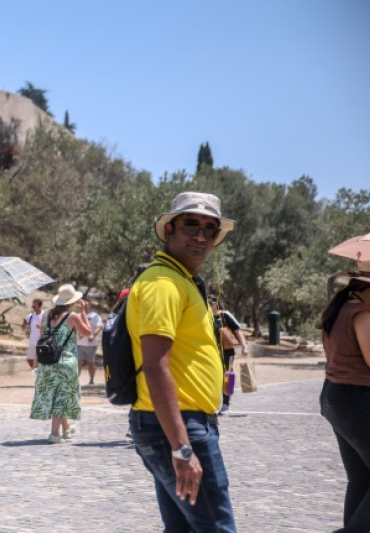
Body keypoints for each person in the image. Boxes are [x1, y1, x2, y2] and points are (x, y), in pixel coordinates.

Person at [126, 191, 237, 531]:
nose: (202, 236)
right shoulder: (165, 283)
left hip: (176, 425)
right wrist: (182, 449)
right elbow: (156, 365)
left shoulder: (181, 281)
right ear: (169, 230)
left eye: (210, 229)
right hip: (179, 427)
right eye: (192, 225)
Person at [317, 269, 370, 533]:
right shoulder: (362, 314)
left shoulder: (338, 310)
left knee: (362, 478)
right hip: (360, 399)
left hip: (336, 397)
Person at [31, 284, 92, 443]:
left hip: (48, 362)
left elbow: (41, 337)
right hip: (65, 361)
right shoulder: (72, 317)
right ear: (71, 302)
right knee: (62, 397)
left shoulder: (46, 316)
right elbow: (87, 332)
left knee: (58, 394)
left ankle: (66, 429)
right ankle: (54, 434)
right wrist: (84, 313)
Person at [209, 296, 248, 415]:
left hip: (227, 352)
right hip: (211, 352)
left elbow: (237, 331)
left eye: (211, 303)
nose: (209, 305)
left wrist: (244, 346)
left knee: (227, 376)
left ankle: (226, 404)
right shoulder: (204, 317)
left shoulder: (225, 315)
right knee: (212, 376)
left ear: (216, 304)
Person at [76, 299, 104, 385]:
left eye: (86, 303)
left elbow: (99, 327)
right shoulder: (77, 315)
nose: (84, 305)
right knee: (78, 361)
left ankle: (91, 380)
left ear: (89, 305)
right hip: (79, 343)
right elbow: (74, 327)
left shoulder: (95, 316)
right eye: (82, 304)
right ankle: (76, 381)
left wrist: (93, 335)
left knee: (90, 363)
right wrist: (78, 333)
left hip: (91, 344)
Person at [21, 298, 45, 370]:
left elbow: (49, 328)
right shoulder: (30, 316)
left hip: (41, 342)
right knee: (29, 359)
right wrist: (24, 324)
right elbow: (23, 328)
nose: (33, 308)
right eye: (33, 306)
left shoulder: (45, 316)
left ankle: (39, 372)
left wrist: (41, 327)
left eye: (35, 306)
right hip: (32, 341)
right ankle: (36, 371)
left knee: (39, 360)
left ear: (40, 306)